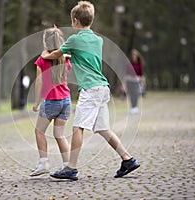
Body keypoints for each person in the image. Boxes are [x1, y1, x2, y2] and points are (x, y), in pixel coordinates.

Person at [42, 1, 140, 180]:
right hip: (103, 88)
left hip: (90, 89)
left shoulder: (74, 39)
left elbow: (56, 54)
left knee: (78, 127)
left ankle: (71, 168)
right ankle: (128, 159)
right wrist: (69, 54)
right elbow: (84, 55)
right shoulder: (98, 40)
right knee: (103, 129)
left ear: (75, 20)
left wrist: (45, 56)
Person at [30, 27, 71, 176]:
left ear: (45, 42)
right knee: (59, 134)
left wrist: (36, 102)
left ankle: (44, 163)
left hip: (51, 101)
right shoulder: (65, 59)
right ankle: (68, 165)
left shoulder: (42, 60)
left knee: (39, 131)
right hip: (66, 101)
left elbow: (39, 83)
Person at [125, 49, 145, 114]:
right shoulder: (129, 64)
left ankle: (135, 106)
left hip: (137, 81)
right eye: (133, 55)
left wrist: (142, 82)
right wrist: (124, 83)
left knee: (136, 94)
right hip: (130, 80)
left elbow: (141, 74)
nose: (134, 56)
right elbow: (126, 73)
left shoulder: (139, 64)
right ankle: (132, 107)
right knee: (131, 94)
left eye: (135, 55)